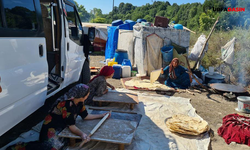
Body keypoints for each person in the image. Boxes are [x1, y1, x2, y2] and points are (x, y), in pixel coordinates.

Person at [7, 84, 110, 150]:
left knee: (65, 143)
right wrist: (82, 134)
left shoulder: (79, 103)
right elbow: (72, 127)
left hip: (64, 126)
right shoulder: (66, 105)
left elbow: (86, 116)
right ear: (81, 95)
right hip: (52, 127)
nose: (88, 95)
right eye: (87, 94)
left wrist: (101, 116)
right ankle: (20, 146)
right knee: (49, 147)